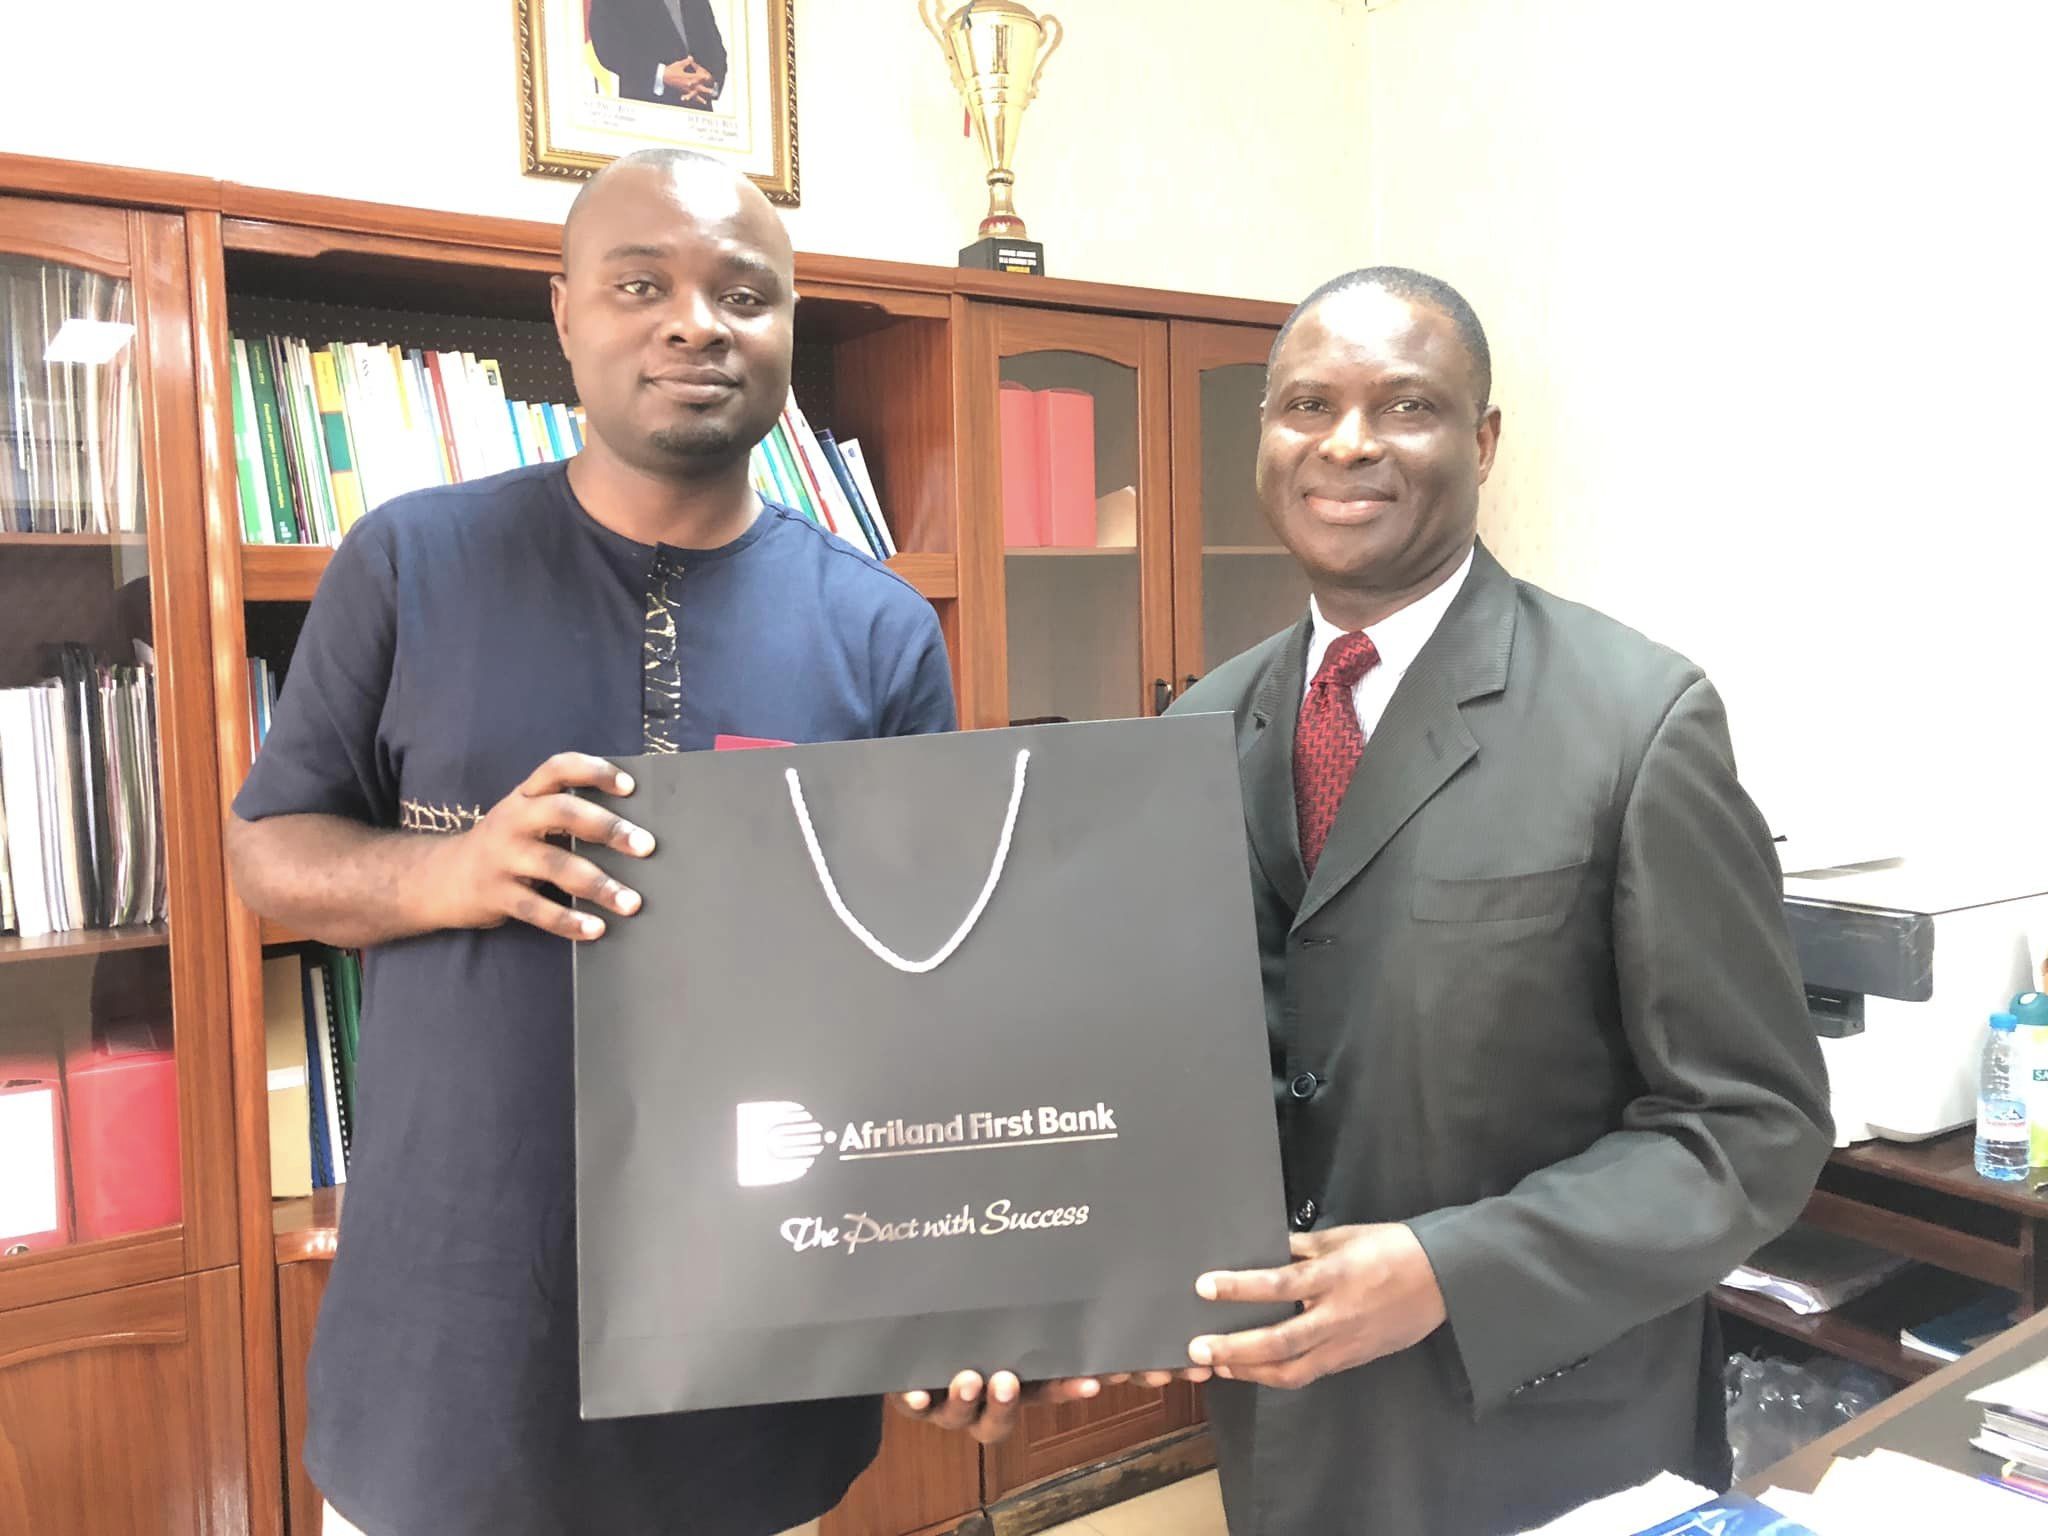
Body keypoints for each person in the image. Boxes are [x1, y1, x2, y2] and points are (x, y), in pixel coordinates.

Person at [224, 147, 955, 1536]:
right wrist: (443, 871)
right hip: (452, 1339)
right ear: (563, 315)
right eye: (640, 286)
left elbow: (920, 989)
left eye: (744, 295)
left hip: (755, 1339)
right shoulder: (409, 563)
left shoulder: (879, 631)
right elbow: (268, 848)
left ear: (787, 327)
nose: (695, 325)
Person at [1161, 268, 1834, 1533]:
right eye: (1306, 405)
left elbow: (1749, 1126)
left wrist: (1447, 1270)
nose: (1345, 443)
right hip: (1285, 1433)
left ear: (1479, 443)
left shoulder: (1634, 720)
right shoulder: (1198, 726)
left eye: (1404, 406)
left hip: (1539, 1431)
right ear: (1264, 436)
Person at [588, 0, 729, 110]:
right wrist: (661, 75)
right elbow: (608, 47)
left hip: (699, 115)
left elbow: (715, 48)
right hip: (645, 111)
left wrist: (709, 82)